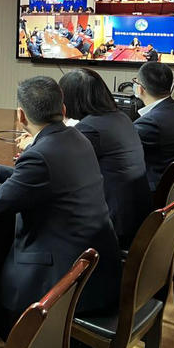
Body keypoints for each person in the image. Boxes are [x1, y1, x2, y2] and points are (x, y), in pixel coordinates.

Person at [0, 77, 120, 348]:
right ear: (63, 108)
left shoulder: (41, 154)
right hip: (96, 267)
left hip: (63, 277)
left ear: (21, 116)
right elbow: (44, 178)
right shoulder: (77, 138)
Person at [59, 69, 151, 248]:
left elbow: (58, 167)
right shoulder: (121, 117)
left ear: (69, 99)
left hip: (113, 226)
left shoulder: (90, 129)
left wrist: (35, 141)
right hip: (135, 217)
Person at [132, 62, 174, 191]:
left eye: (136, 81)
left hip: (150, 189)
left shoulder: (149, 124)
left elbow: (120, 152)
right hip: (173, 186)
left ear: (140, 88)